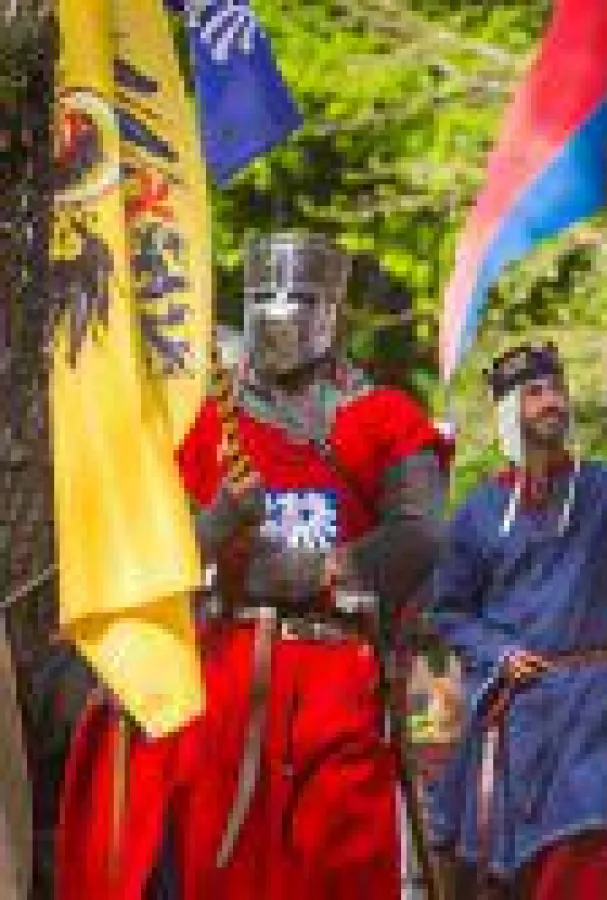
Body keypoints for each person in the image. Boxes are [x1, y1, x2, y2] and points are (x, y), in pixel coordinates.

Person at [55, 233, 448, 899]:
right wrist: (220, 520)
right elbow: (163, 550)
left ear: (331, 311)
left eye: (298, 299)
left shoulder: (385, 418)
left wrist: (323, 571)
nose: (278, 315)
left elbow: (422, 534)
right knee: (223, 867)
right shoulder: (210, 424)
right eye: (263, 297)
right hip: (228, 674)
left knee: (339, 862)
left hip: (334, 673)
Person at [426, 342, 607, 899]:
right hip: (518, 718)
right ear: (509, 411)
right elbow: (450, 612)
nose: (552, 401)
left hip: (594, 712)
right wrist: (498, 653)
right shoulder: (478, 511)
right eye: (535, 393)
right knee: (510, 878)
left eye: (557, 390)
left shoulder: (606, 487)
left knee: (582, 859)